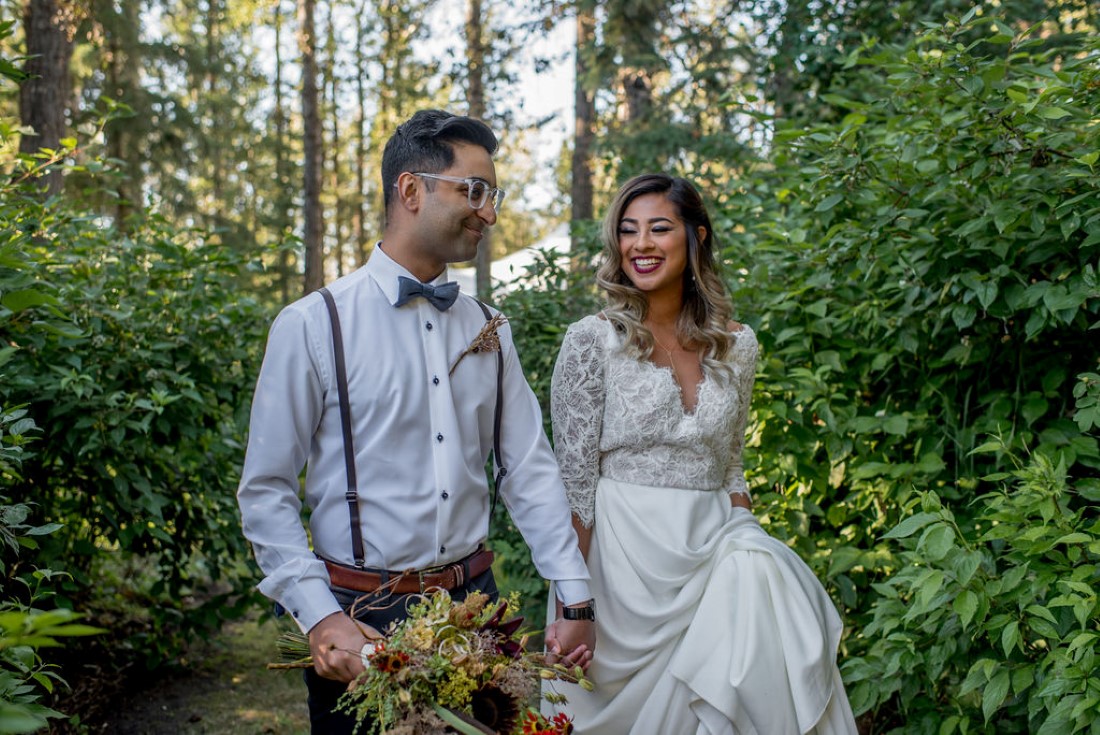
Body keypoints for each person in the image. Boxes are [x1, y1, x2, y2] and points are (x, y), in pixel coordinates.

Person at [237, 109, 595, 735]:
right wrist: (320, 617)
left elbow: (529, 469)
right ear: (410, 190)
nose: (488, 211)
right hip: (360, 616)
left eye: (493, 195)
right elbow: (265, 492)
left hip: (476, 612)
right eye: (473, 191)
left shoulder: (491, 327)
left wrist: (574, 591)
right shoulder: (314, 324)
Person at [544, 173, 858, 734]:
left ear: (696, 239)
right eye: (627, 230)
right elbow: (574, 484)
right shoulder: (591, 342)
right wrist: (575, 604)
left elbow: (730, 462)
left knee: (759, 613)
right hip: (620, 569)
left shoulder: (738, 346)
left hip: (716, 558)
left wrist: (747, 528)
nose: (640, 244)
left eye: (659, 229)